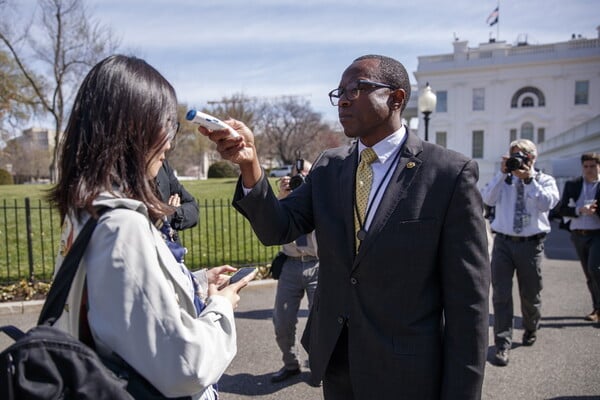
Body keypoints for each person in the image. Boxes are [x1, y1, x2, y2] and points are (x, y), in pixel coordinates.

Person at [200, 54, 490, 400]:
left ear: (396, 99)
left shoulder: (448, 174)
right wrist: (250, 165)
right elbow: (277, 228)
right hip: (338, 360)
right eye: (340, 92)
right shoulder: (329, 167)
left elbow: (467, 303)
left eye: (359, 88)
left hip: (407, 372)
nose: (345, 99)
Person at [47, 55, 256, 400]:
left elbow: (121, 303)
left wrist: (198, 283)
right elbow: (186, 367)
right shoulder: (122, 226)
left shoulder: (85, 212)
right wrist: (220, 306)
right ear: (134, 128)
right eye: (167, 126)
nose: (170, 143)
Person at [481, 139, 559, 367]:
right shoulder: (504, 180)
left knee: (530, 295)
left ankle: (531, 326)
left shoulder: (544, 180)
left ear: (532, 158)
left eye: (523, 155)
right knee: (501, 295)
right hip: (503, 243)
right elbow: (487, 199)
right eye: (514, 154)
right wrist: (502, 173)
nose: (519, 159)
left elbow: (547, 204)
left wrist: (529, 180)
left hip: (531, 245)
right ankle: (502, 343)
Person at [270, 160, 319, 384]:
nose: (301, 180)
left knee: (321, 322)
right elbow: (273, 226)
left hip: (318, 265)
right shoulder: (286, 198)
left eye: (306, 175)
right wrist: (282, 196)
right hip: (290, 263)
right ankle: (291, 365)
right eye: (297, 176)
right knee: (282, 321)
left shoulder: (322, 195)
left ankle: (320, 366)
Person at [556, 152, 600, 323]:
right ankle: (596, 307)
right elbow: (561, 209)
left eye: (593, 166)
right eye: (586, 166)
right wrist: (579, 210)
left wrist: (595, 210)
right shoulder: (573, 185)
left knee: (595, 269)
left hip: (597, 233)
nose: (589, 170)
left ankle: (598, 308)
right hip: (578, 233)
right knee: (589, 273)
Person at [155, 159, 199, 243]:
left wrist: (172, 214)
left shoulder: (163, 166)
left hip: (172, 251)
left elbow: (193, 209)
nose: (163, 156)